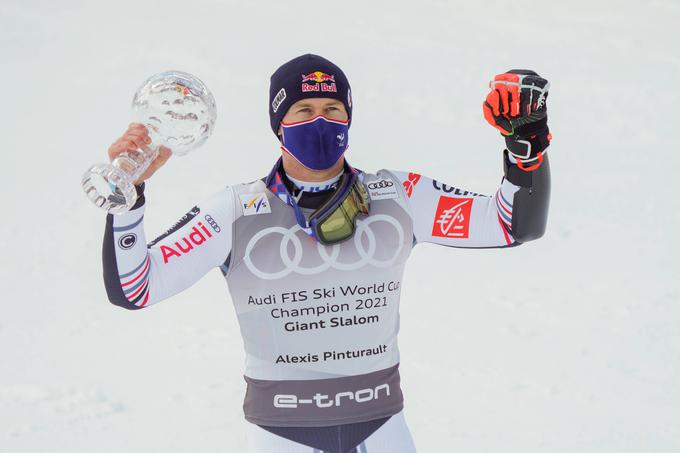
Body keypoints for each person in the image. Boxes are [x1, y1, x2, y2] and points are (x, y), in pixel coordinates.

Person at [101, 54, 552, 453]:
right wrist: (130, 196)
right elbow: (136, 289)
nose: (321, 120)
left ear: (349, 117)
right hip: (283, 431)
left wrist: (525, 150)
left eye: (332, 109)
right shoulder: (236, 210)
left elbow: (512, 223)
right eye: (304, 109)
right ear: (279, 124)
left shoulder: (397, 195)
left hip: (382, 423)